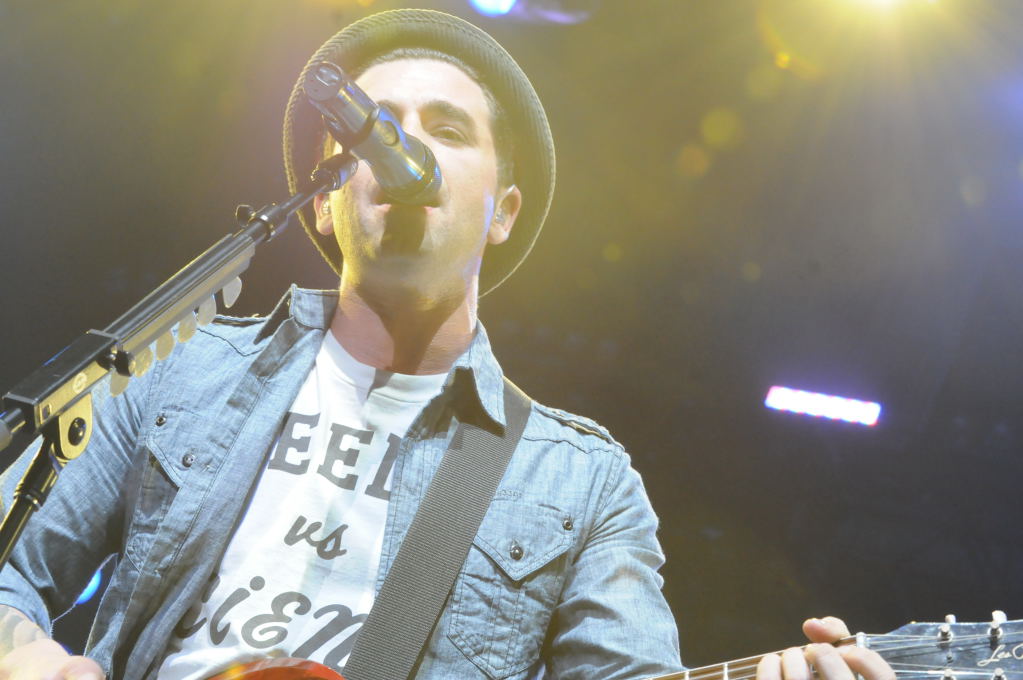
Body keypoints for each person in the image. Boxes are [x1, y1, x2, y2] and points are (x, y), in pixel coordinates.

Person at [0, 9, 898, 680]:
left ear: (502, 212)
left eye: (448, 128)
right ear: (325, 198)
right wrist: (32, 660)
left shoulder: (579, 482)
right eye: (377, 123)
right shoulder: (178, 368)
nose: (405, 146)